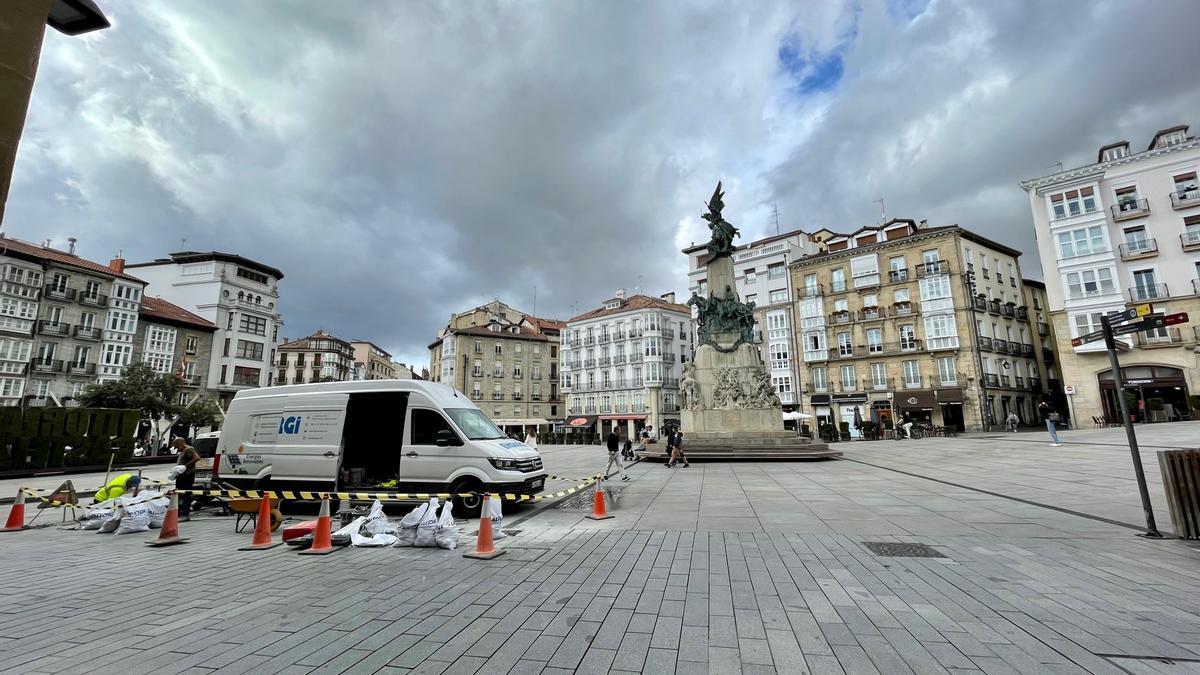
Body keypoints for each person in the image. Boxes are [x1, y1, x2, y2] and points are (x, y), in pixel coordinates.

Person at [173, 437, 200, 521]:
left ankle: (185, 514)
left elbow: (197, 458)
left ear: (180, 444)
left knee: (185, 495)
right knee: (181, 494)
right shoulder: (184, 451)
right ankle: (180, 513)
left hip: (187, 476)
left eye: (177, 446)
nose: (176, 448)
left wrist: (185, 466)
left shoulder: (189, 449)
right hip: (182, 476)